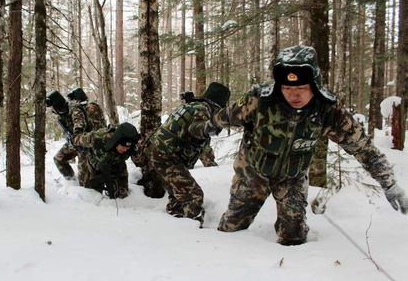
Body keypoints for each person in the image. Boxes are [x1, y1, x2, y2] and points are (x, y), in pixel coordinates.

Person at [214, 45, 408, 245]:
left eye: (301, 89)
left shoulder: (328, 110)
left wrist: (389, 184)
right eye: (287, 88)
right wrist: (208, 126)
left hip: (292, 176)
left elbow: (363, 148)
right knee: (232, 229)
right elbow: (225, 116)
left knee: (293, 236)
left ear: (314, 85)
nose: (293, 95)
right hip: (253, 172)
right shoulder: (260, 100)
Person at [147, 82, 231, 227]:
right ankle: (187, 230)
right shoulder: (202, 109)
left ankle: (173, 221)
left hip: (162, 153)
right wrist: (211, 126)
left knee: (179, 194)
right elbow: (195, 129)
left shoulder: (193, 106)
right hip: (166, 157)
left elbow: (202, 146)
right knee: (194, 196)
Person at [71, 122, 140, 198]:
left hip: (117, 165)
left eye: (127, 148)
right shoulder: (98, 138)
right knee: (91, 194)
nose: (125, 150)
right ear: (116, 141)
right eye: (123, 146)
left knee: (122, 195)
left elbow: (140, 160)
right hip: (94, 164)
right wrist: (74, 139)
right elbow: (77, 139)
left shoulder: (131, 148)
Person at [53, 87, 106, 182]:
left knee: (86, 175)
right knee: (58, 158)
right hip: (78, 141)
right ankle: (71, 181)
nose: (73, 103)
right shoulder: (69, 112)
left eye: (75, 100)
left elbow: (87, 127)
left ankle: (86, 185)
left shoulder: (89, 108)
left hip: (88, 142)